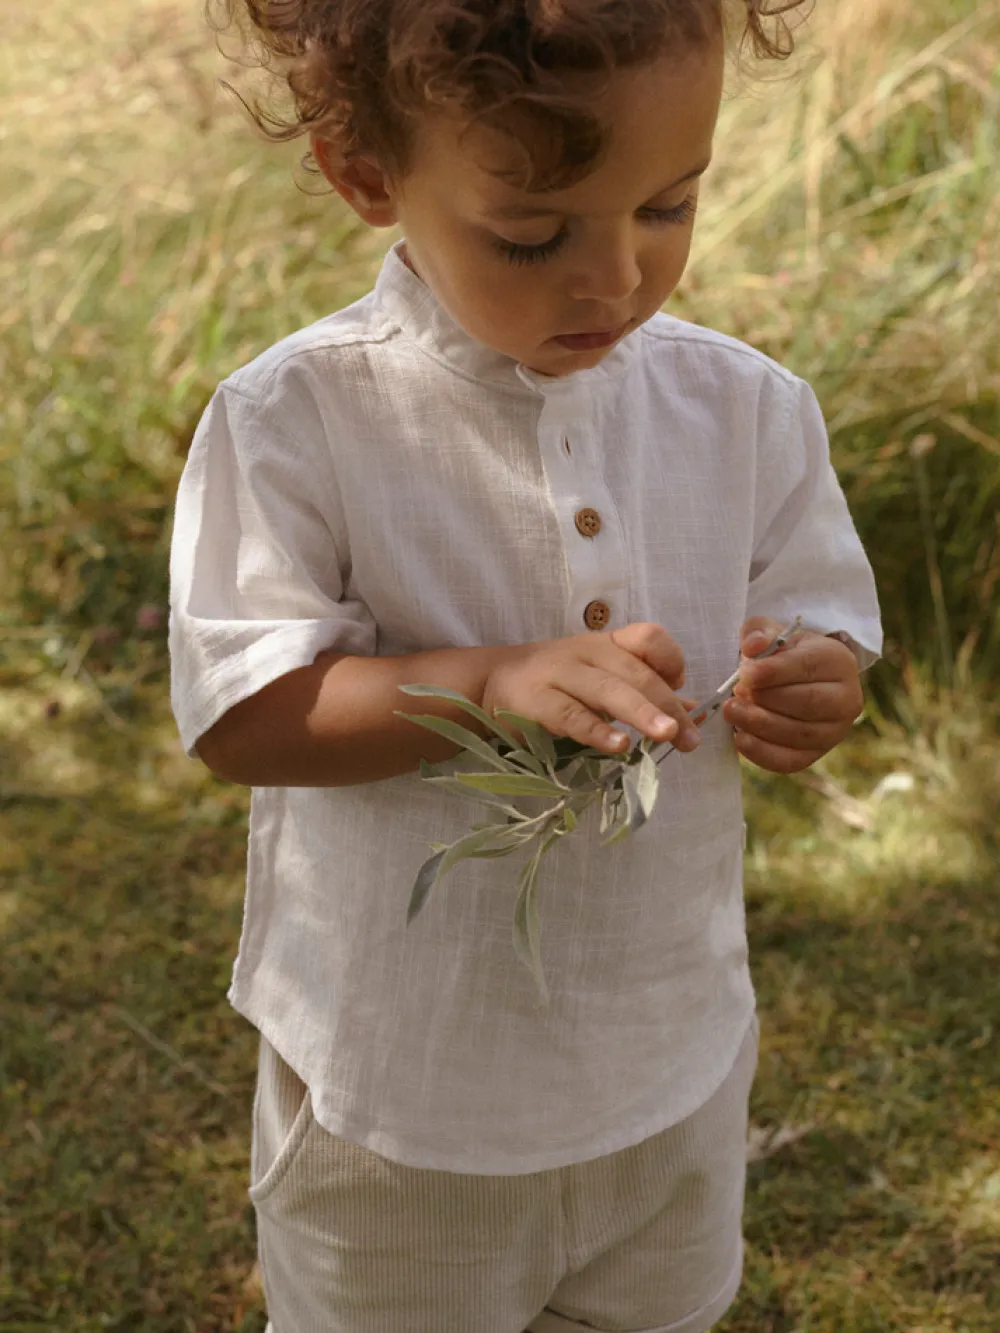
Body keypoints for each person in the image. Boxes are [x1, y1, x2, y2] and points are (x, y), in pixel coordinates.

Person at [169, 2, 882, 1330]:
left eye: (667, 206)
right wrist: (485, 688)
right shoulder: (302, 419)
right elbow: (245, 715)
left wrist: (814, 678)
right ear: (368, 174)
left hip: (668, 1066)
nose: (611, 279)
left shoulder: (744, 409)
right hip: (407, 1101)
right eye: (532, 235)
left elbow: (815, 612)